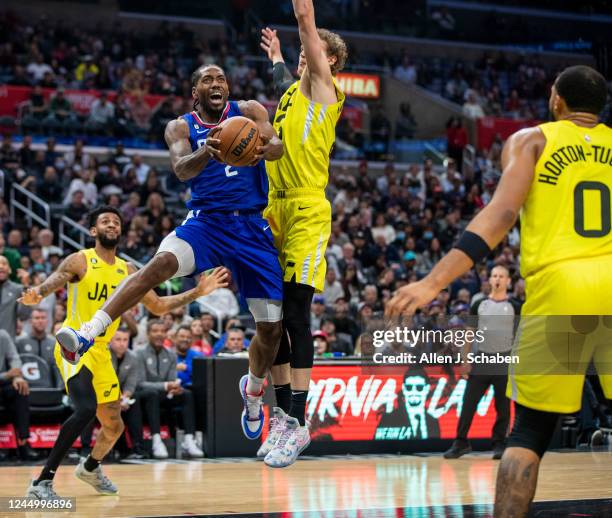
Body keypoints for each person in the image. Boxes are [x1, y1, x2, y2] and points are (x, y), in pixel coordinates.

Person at [386, 65, 611, 517]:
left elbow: (502, 213)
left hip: (562, 286)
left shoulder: (533, 139)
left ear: (555, 99)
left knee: (528, 434)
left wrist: (433, 281)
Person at [57, 65, 285, 451]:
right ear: (194, 92)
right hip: (206, 223)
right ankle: (86, 333)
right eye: (207, 81)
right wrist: (207, 151)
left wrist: (262, 146)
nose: (217, 84)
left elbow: (278, 147)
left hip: (251, 226)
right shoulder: (180, 127)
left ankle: (253, 389)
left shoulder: (249, 110)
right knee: (158, 265)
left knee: (271, 330)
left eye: (221, 79)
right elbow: (181, 169)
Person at [22, 206, 228, 499]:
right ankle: (42, 482)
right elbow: (57, 278)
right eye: (104, 221)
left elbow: (157, 307)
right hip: (73, 346)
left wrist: (196, 293)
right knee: (84, 409)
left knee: (114, 424)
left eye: (116, 222)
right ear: (93, 230)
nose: (111, 225)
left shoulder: (128, 271)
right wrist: (39, 292)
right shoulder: (81, 260)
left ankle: (91, 468)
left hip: (102, 351)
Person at [257, 0, 347, 468]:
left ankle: (299, 420)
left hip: (308, 208)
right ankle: (282, 418)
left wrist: (303, 18)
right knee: (269, 318)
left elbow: (309, 33)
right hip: (274, 209)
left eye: (311, 52)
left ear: (328, 62)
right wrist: (274, 56)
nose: (302, 55)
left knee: (295, 309)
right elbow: (282, 84)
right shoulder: (292, 94)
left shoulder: (324, 90)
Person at [444, 265, 521, 460]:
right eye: (494, 275)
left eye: (501, 276)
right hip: (482, 359)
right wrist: (464, 360)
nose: (497, 279)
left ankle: (499, 443)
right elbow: (469, 334)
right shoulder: (479, 304)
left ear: (508, 281)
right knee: (468, 403)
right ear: (489, 280)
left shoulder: (515, 305)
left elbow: (521, 337)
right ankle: (461, 442)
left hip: (504, 359)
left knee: (502, 407)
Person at [137, 320, 202, 459]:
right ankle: (156, 440)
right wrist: (166, 386)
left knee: (187, 394)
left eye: (162, 331)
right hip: (145, 397)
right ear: (148, 334)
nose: (159, 334)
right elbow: (141, 383)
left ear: (166, 334)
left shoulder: (171, 355)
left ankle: (189, 440)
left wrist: (175, 388)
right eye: (155, 331)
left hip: (165, 395)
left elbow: (172, 380)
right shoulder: (139, 353)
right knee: (152, 393)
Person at [109, 327, 147, 459]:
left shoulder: (133, 357)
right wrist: (117, 398)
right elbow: (105, 380)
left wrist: (125, 397)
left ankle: (138, 447)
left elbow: (132, 382)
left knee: (134, 402)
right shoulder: (104, 355)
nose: (122, 343)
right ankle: (118, 448)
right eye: (118, 339)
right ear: (110, 340)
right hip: (104, 394)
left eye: (125, 340)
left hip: (121, 397)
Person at [0, 329, 38, 460]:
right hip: (3, 377)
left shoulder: (3, 335)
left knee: (20, 389)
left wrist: (17, 377)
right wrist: (7, 375)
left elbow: (15, 359)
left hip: (3, 382)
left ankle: (24, 442)